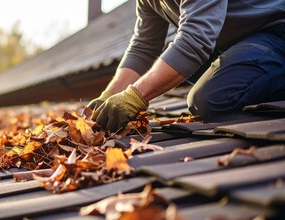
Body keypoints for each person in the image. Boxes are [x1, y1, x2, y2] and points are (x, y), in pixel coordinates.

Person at [89, 0, 285, 132]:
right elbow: (144, 46)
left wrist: (134, 97)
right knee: (168, 57)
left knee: (209, 99)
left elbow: (195, 40)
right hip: (240, 45)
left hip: (275, 34)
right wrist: (110, 94)